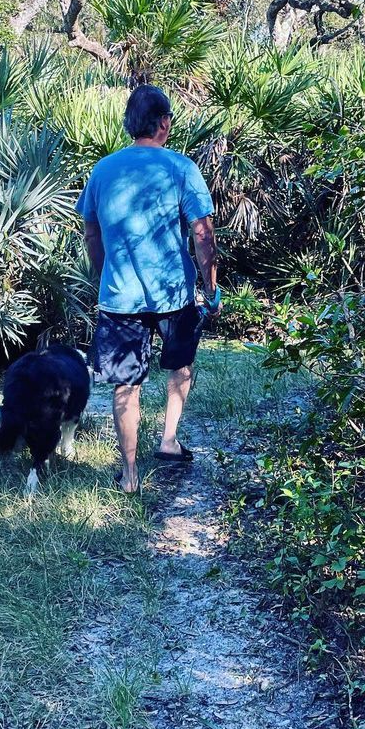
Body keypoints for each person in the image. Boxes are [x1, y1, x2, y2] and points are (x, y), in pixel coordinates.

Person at [76, 83, 221, 494]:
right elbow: (203, 236)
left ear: (129, 125)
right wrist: (210, 289)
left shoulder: (103, 170)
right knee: (181, 365)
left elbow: (91, 233)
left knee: (127, 384)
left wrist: (103, 275)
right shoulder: (180, 167)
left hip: (118, 297)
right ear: (163, 123)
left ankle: (130, 475)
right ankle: (169, 440)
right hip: (174, 294)